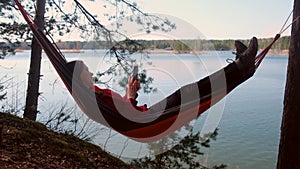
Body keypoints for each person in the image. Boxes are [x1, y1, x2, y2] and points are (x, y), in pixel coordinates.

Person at [65, 37, 258, 131]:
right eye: (86, 71)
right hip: (146, 120)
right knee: (190, 93)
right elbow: (125, 116)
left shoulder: (94, 93)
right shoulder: (94, 98)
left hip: (146, 116)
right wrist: (131, 97)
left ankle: (239, 66)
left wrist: (129, 93)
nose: (91, 73)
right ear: (79, 78)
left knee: (190, 91)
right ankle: (240, 66)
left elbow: (122, 109)